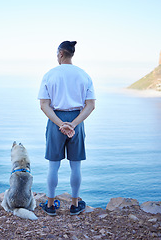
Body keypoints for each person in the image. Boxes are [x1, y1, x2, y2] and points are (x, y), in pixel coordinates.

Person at [37, 40, 96, 216]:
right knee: (75, 166)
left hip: (56, 121)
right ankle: (74, 205)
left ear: (61, 54)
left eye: (57, 54)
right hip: (76, 120)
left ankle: (50, 205)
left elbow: (44, 105)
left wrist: (60, 124)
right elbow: (90, 105)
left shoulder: (50, 74)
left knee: (53, 166)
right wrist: (74, 124)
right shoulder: (84, 75)